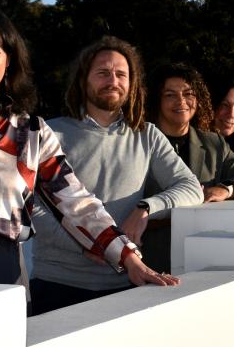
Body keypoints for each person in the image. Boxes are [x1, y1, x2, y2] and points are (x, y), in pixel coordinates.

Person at [0, 8, 169, 290]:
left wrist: (128, 257)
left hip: (4, 276)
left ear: (9, 60)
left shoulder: (31, 132)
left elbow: (75, 201)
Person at [30, 37, 203, 314]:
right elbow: (33, 208)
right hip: (57, 284)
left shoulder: (147, 135)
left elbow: (191, 188)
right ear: (82, 80)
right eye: (102, 73)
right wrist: (92, 244)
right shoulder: (49, 134)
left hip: (125, 284)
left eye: (121, 74)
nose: (113, 80)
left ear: (132, 83)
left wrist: (146, 208)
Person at [142, 63, 234, 271]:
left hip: (200, 263)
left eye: (188, 94)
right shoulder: (139, 142)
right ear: (157, 100)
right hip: (147, 263)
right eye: (170, 95)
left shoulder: (214, 143)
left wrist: (226, 189)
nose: (181, 101)